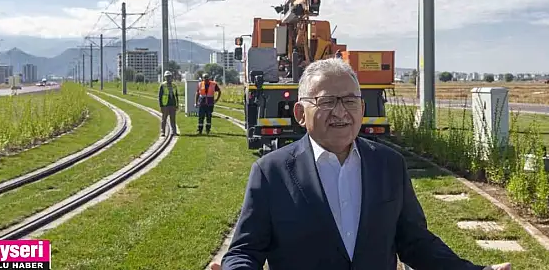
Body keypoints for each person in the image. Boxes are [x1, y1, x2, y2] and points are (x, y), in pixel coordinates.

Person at [213, 58, 512, 270]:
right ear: (300, 114)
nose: (341, 112)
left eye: (350, 101)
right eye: (327, 101)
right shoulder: (271, 172)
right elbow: (245, 250)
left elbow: (415, 242)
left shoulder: (389, 165)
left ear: (362, 109)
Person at [158, 70, 179, 137]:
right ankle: (162, 132)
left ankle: (174, 132)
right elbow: (160, 96)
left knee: (173, 119)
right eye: (167, 77)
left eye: (169, 77)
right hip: (165, 105)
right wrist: (161, 106)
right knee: (164, 119)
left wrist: (177, 105)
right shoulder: (163, 85)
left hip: (173, 104)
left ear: (171, 77)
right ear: (165, 77)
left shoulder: (174, 85)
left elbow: (176, 95)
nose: (168, 78)